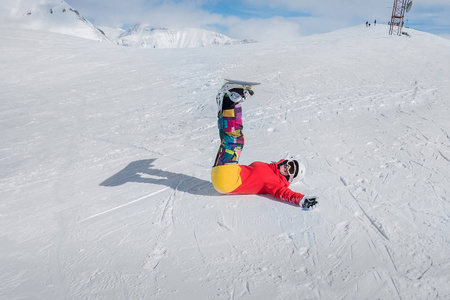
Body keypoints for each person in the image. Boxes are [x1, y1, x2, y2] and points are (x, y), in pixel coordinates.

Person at [210, 81, 318, 208]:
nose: (287, 168)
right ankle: (229, 101)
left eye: (291, 171)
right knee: (231, 137)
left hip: (228, 180)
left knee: (235, 141)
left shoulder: (276, 182)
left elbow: (283, 193)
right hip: (227, 176)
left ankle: (230, 98)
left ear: (289, 179)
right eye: (290, 165)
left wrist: (301, 199)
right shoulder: (270, 168)